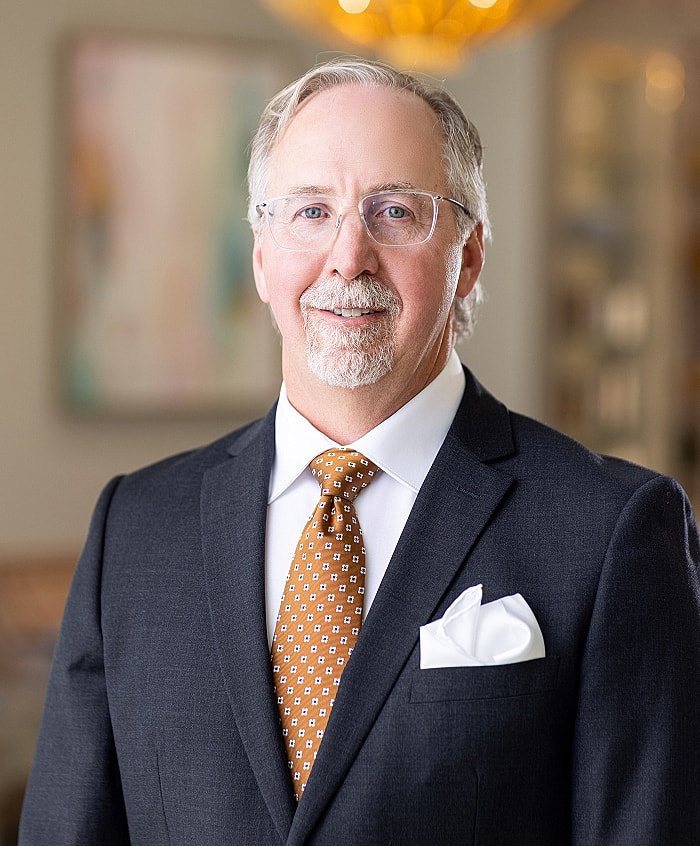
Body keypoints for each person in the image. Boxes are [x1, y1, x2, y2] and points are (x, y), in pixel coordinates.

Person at [19, 56, 700, 845]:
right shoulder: (134, 529)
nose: (349, 257)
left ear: (470, 255)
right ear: (263, 256)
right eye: (311, 212)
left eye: (395, 212)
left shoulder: (612, 531)